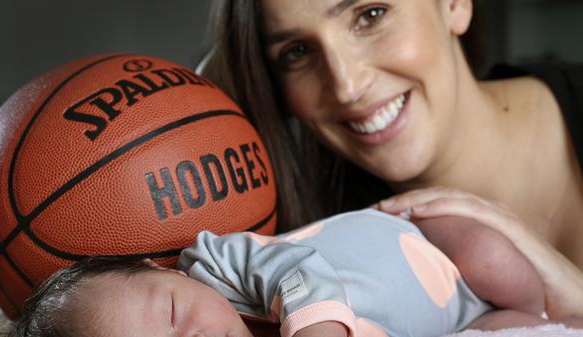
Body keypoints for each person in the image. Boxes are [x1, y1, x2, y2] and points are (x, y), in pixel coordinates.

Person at [200, 0, 583, 319]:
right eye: (297, 52)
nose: (347, 86)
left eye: (370, 15)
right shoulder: (312, 262)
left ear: (454, 5)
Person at [11, 210, 583, 337]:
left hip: (427, 244)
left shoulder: (217, 259)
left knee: (495, 261)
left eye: (173, 316)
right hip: (446, 321)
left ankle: (544, 300)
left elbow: (302, 272)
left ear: (166, 272)